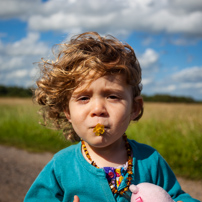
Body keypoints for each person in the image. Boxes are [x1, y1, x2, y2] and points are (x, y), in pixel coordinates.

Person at [24, 32, 200, 202]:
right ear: (67, 111)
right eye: (84, 98)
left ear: (134, 108)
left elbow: (176, 195)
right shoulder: (62, 166)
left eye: (112, 97)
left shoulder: (150, 160)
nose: (98, 109)